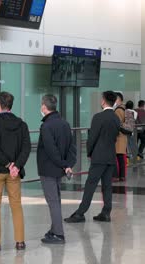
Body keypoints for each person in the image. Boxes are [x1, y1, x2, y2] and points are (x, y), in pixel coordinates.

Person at [0, 92, 31, 251]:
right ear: (10, 106)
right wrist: (16, 165)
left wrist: (7, 163)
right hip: (14, 173)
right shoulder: (21, 124)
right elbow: (26, 148)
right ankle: (20, 242)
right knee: (16, 205)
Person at [64, 91, 120, 223]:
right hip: (111, 156)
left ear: (104, 101)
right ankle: (106, 213)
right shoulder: (116, 118)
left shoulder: (98, 117)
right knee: (107, 186)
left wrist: (89, 153)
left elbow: (92, 138)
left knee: (90, 184)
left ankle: (80, 213)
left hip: (99, 157)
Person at [37, 95, 76, 244]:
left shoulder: (46, 126)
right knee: (56, 200)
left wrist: (62, 164)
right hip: (60, 169)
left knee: (52, 201)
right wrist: (68, 164)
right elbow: (72, 147)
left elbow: (51, 150)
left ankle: (59, 234)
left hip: (49, 169)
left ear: (44, 107)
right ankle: (54, 229)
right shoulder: (64, 123)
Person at [113, 92, 127, 182]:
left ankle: (117, 176)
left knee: (117, 158)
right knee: (121, 157)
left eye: (115, 99)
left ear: (119, 99)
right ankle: (122, 176)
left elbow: (116, 124)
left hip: (118, 137)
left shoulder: (118, 110)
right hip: (123, 136)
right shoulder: (125, 108)